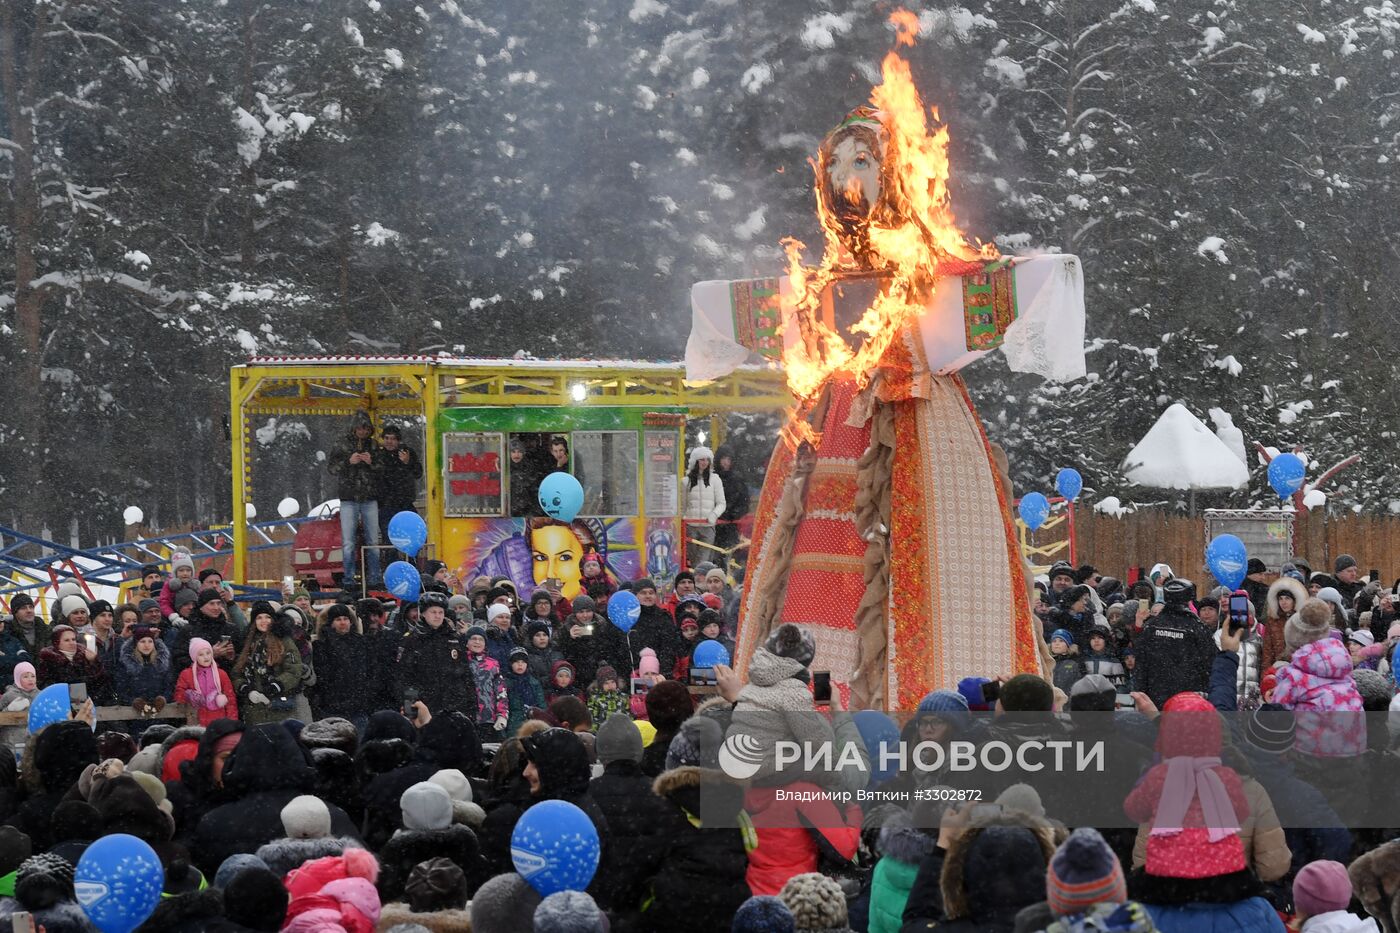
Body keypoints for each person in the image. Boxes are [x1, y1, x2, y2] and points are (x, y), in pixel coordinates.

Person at [1133, 578, 1215, 708]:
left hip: (1155, 700)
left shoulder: (1152, 625)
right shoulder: (1197, 627)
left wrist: (1140, 693)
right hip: (1186, 701)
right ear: (1189, 598)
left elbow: (1140, 663)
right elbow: (1209, 663)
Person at [396, 592, 478, 718]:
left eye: (440, 612)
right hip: (426, 707)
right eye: (433, 612)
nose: (437, 616)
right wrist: (410, 710)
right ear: (423, 613)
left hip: (454, 707)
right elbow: (406, 678)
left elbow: (466, 674)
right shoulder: (412, 640)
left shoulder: (453, 638)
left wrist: (472, 706)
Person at [328, 409, 385, 587]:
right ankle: (349, 578)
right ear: (354, 428)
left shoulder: (374, 446)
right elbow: (331, 468)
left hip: (370, 497)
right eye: (360, 428)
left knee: (373, 541)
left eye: (366, 429)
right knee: (348, 542)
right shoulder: (341, 445)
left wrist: (371, 462)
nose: (363, 432)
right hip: (349, 498)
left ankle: (374, 577)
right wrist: (348, 462)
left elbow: (383, 468)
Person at [232, 600, 303, 726]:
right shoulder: (248, 643)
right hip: (253, 710)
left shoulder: (284, 640)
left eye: (267, 617)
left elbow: (294, 670)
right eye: (259, 617)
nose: (263, 620)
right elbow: (237, 673)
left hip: (279, 706)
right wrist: (246, 689)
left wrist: (276, 685)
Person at [311, 603, 373, 732]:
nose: (343, 622)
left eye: (345, 619)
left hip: (358, 705)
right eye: (338, 619)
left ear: (351, 622)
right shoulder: (321, 645)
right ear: (331, 623)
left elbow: (369, 671)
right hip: (332, 706)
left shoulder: (362, 642)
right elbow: (322, 676)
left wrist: (365, 694)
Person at [376, 424, 421, 555]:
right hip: (386, 505)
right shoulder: (379, 455)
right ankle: (392, 566)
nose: (389, 442)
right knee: (389, 539)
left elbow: (418, 473)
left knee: (412, 536)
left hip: (405, 503)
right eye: (387, 438)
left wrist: (407, 462)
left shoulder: (407, 452)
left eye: (393, 439)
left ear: (398, 440)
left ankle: (413, 564)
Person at [176, 637, 239, 726]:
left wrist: (232, 722)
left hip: (219, 722)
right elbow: (179, 694)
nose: (206, 657)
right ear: (194, 657)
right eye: (201, 654)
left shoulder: (221, 674)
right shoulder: (186, 674)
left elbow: (231, 699)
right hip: (196, 722)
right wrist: (188, 695)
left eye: (208, 653)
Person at [462, 625, 508, 742]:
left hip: (488, 718)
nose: (477, 642)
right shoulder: (460, 662)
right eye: (474, 639)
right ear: (467, 642)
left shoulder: (493, 664)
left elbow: (501, 691)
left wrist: (502, 715)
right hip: (466, 716)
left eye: (481, 639)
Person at [683, 446, 726, 570]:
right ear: (695, 461)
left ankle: (699, 583)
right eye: (701, 459)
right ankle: (696, 582)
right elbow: (682, 506)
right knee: (693, 559)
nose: (704, 463)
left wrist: (713, 515)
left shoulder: (715, 480)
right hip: (691, 526)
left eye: (707, 460)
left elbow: (721, 503)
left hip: (708, 527)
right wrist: (684, 518)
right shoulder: (686, 481)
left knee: (703, 560)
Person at [116, 625, 173, 713]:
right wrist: (134, 702)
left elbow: (169, 687)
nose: (147, 645)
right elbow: (121, 690)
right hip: (133, 715)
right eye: (142, 641)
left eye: (150, 641)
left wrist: (163, 699)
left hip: (160, 713)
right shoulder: (126, 664)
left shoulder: (161, 663)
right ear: (136, 644)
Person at [712, 446, 749, 571]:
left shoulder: (737, 480)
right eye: (723, 459)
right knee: (713, 555)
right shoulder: (711, 478)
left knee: (728, 555)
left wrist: (734, 514)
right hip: (714, 524)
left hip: (730, 525)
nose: (726, 462)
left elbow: (744, 501)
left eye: (728, 459)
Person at [1261, 574, 1308, 672]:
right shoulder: (1272, 621)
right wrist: (1265, 675)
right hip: (1277, 670)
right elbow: (1267, 651)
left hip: (1298, 669)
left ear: (1294, 601)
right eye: (1280, 599)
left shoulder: (1303, 621)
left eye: (1287, 598)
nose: (1283, 602)